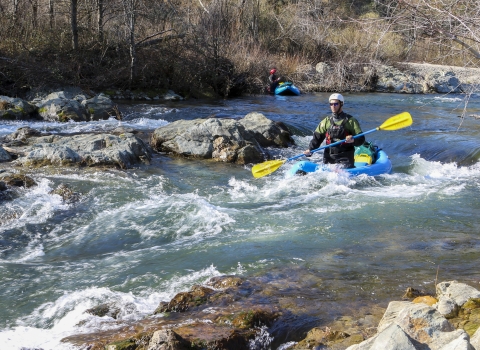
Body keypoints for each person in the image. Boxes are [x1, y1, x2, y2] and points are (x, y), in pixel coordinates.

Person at [304, 93, 365, 168]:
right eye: (331, 104)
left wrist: (353, 140)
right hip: (329, 158)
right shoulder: (326, 121)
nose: (333, 106)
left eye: (336, 104)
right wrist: (310, 150)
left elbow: (361, 139)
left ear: (341, 104)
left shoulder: (351, 121)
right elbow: (316, 139)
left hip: (345, 159)